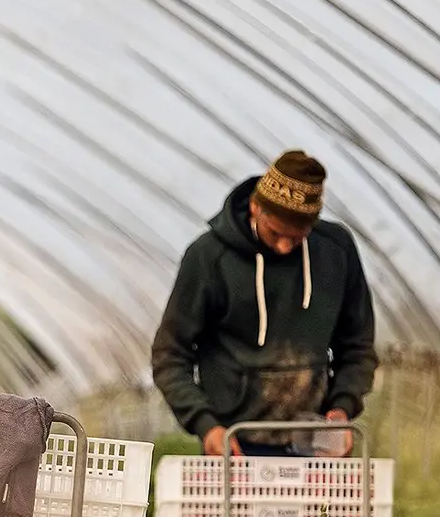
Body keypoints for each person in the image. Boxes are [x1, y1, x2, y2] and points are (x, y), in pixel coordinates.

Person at [152, 150, 378, 458]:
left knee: (323, 509)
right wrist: (207, 426)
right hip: (234, 442)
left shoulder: (336, 251)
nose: (285, 247)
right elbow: (170, 355)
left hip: (315, 442)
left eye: (298, 237)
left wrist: (342, 409)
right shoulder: (209, 258)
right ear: (256, 208)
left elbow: (358, 345)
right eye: (277, 233)